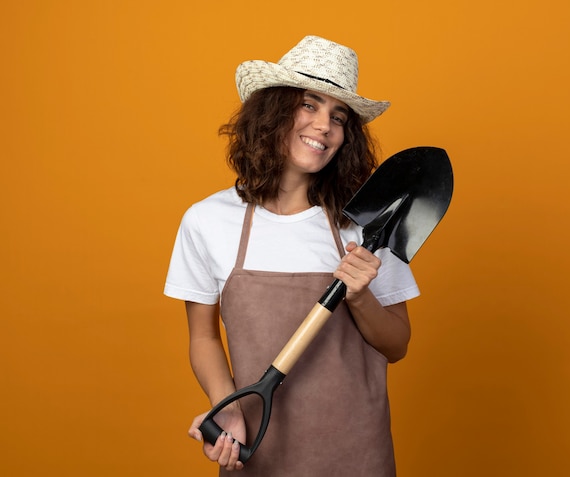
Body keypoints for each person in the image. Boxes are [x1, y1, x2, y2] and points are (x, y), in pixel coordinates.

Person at [164, 35, 420, 476]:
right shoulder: (207, 221)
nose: (324, 125)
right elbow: (203, 337)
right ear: (273, 113)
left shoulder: (366, 226)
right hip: (258, 448)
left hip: (357, 453)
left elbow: (397, 345)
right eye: (309, 104)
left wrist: (359, 296)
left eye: (338, 116)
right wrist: (226, 409)